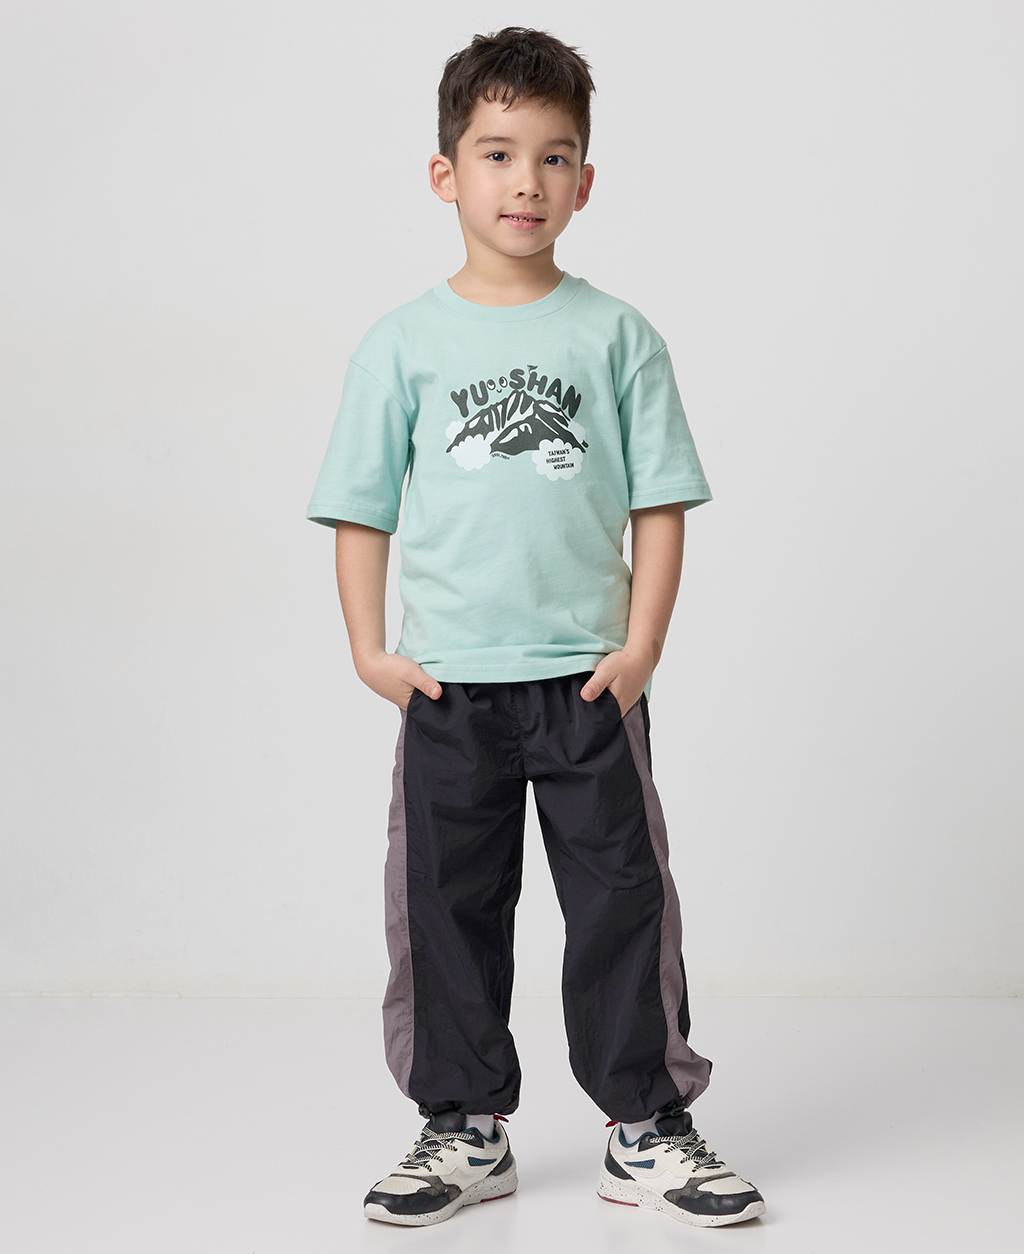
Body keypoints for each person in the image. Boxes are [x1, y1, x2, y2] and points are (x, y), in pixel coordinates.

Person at [305, 25, 766, 1231]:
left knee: (622, 903)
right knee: (446, 907)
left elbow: (660, 504)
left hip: (588, 685)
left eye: (554, 157)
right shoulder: (401, 344)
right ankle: (462, 1125)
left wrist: (641, 647)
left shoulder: (616, 336)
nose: (526, 181)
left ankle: (644, 1123)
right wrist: (370, 651)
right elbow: (360, 508)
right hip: (447, 686)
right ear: (445, 173)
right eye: (498, 153)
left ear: (585, 181)